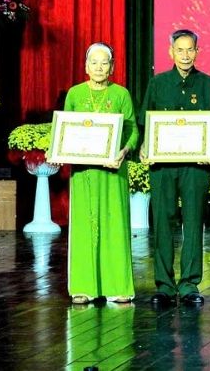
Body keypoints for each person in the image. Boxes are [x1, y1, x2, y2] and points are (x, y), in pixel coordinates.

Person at [138, 29, 210, 307]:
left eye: (190, 50)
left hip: (196, 167)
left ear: (197, 52)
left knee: (194, 222)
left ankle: (189, 284)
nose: (185, 56)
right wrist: (144, 148)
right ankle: (164, 284)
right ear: (170, 52)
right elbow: (144, 124)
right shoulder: (158, 83)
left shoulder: (209, 85)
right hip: (162, 166)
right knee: (162, 222)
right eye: (180, 50)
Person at [64, 43, 139, 305]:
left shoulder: (121, 94)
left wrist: (125, 150)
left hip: (113, 171)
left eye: (104, 62)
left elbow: (133, 130)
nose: (99, 67)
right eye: (93, 62)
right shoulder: (74, 94)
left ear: (112, 67)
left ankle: (118, 286)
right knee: (84, 227)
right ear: (86, 66)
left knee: (114, 225)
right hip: (84, 173)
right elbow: (66, 131)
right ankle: (83, 287)